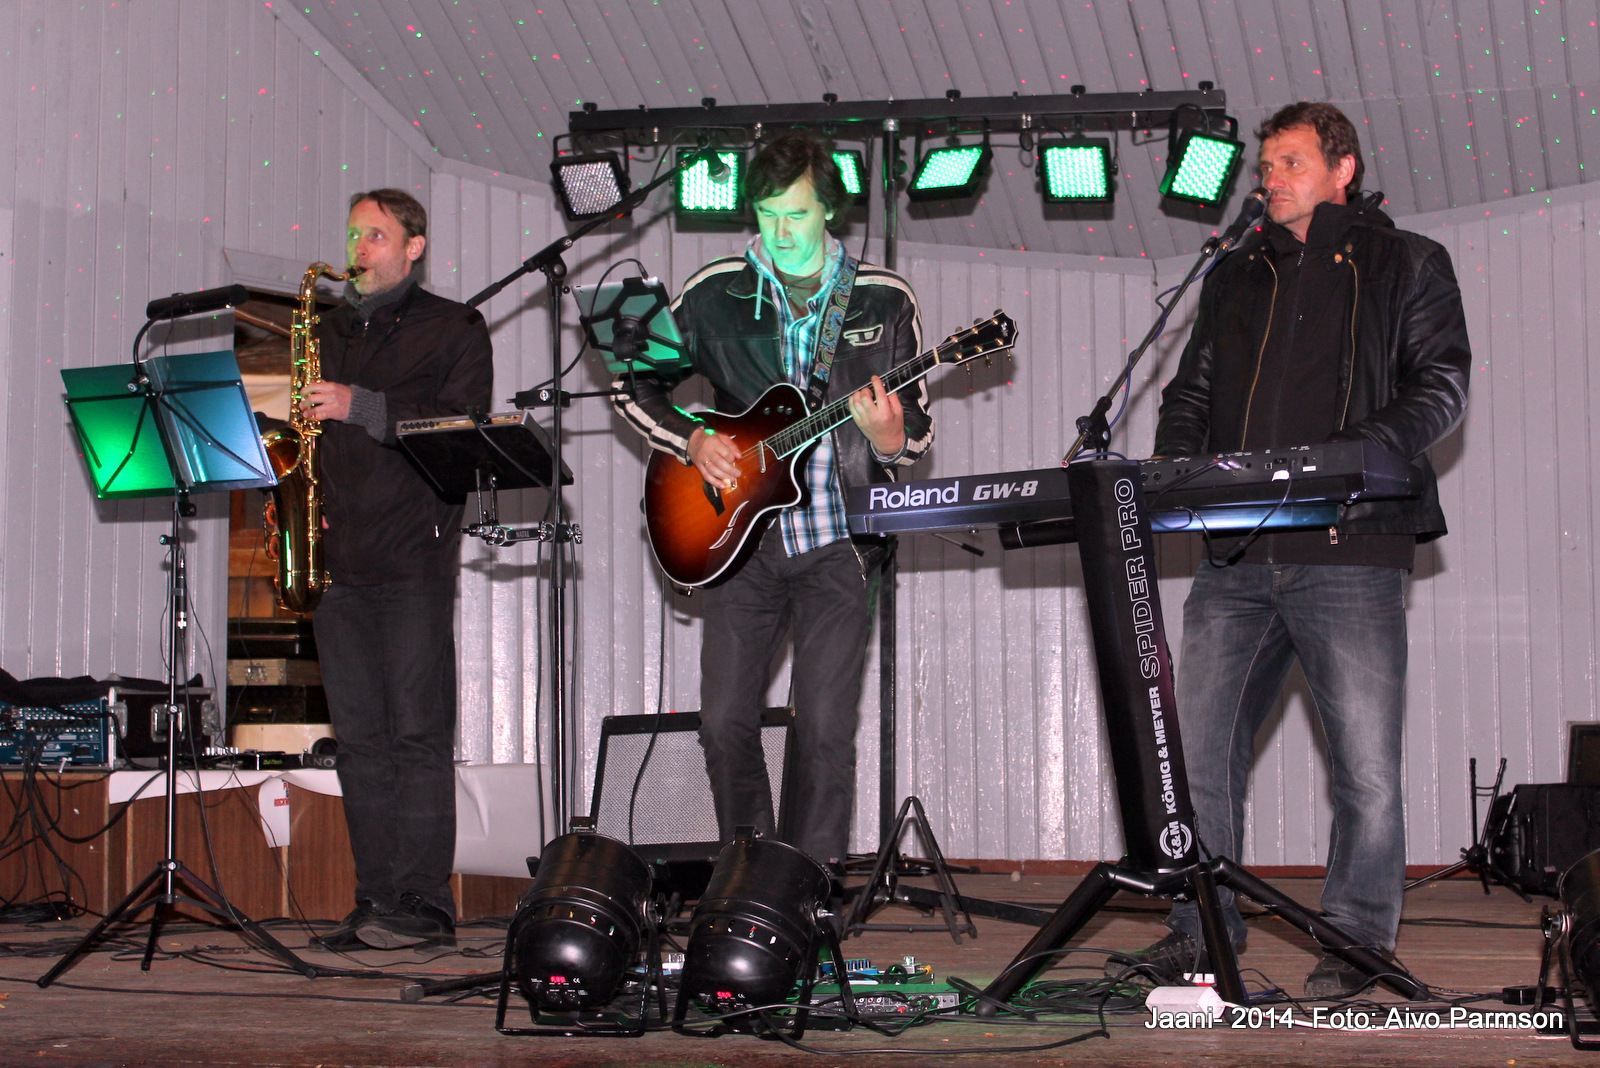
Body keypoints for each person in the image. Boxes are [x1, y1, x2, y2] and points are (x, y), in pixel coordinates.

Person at [1128, 102, 1471, 997]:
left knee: (1366, 771)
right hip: (1237, 557)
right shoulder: (1236, 274)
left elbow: (1441, 387)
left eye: (1289, 161)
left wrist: (1348, 458)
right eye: (1266, 165)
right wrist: (1175, 474)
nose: (1269, 179)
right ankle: (1201, 934)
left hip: (1351, 549)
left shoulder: (1407, 262)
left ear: (1342, 168)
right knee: (1197, 758)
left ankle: (1357, 942)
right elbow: (1190, 393)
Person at [613, 134, 933, 871]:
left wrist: (889, 438)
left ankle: (808, 891)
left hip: (839, 545)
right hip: (740, 542)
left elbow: (915, 433)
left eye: (797, 214)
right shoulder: (713, 292)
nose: (781, 233)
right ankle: (748, 874)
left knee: (823, 727)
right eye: (767, 215)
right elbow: (634, 382)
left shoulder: (884, 299)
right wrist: (692, 439)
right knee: (724, 720)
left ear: (830, 211)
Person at [300, 189, 494, 951]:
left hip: (414, 554)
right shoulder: (330, 329)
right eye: (354, 234)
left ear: (414, 246)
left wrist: (361, 405)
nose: (359, 248)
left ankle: (424, 903)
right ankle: (375, 898)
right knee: (359, 742)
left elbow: (458, 428)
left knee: (416, 734)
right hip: (338, 560)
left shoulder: (455, 326)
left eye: (375, 235)